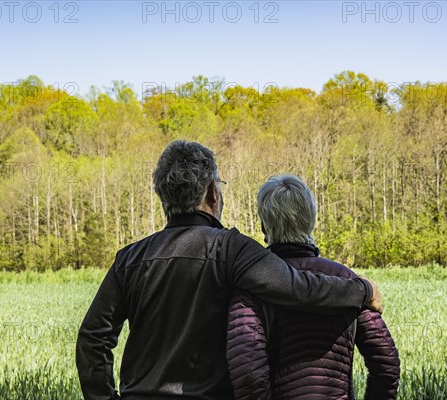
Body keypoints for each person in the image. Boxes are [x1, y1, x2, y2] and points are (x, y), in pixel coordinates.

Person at [76, 141, 382, 400]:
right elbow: (298, 288)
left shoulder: (129, 259)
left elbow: (93, 338)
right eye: (219, 185)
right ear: (211, 192)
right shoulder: (231, 249)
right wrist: (362, 290)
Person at [227, 174, 400, 400]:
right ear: (312, 221)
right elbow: (387, 364)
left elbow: (247, 373)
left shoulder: (250, 291)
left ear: (263, 227)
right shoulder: (348, 282)